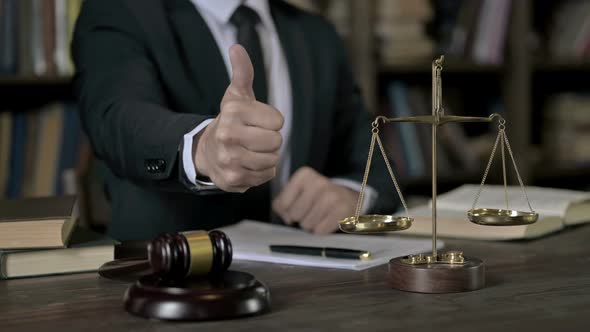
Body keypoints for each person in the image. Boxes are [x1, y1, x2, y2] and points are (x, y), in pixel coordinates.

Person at [72, 0, 398, 241]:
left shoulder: (317, 36)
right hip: (168, 280)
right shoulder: (118, 12)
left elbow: (376, 164)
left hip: (308, 285)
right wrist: (201, 149)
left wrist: (352, 195)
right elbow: (117, 124)